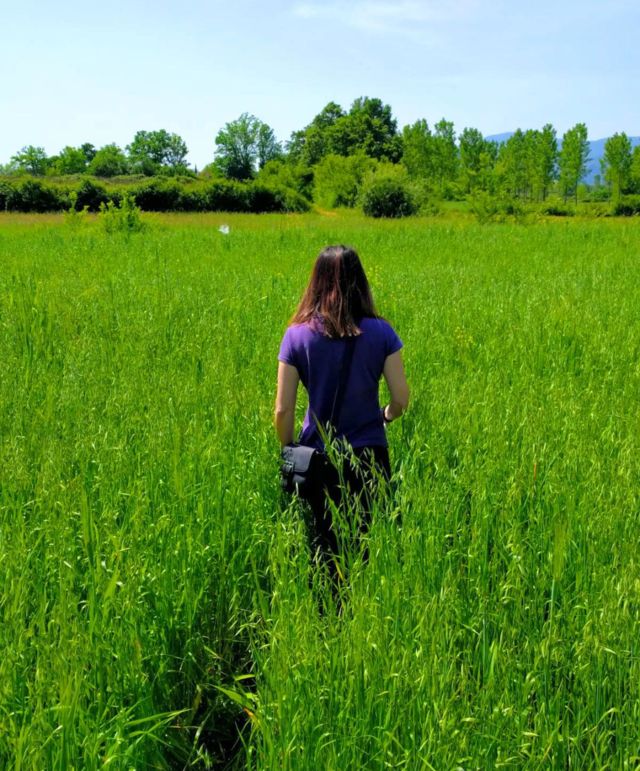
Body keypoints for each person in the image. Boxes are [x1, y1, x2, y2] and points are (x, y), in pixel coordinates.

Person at [275, 245, 409, 581]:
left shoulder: (296, 335)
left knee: (322, 548)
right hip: (370, 456)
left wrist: (288, 448)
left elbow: (283, 409)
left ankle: (327, 608)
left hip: (317, 459)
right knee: (368, 546)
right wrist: (385, 416)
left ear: (316, 282)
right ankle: (365, 605)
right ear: (360, 282)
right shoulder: (382, 332)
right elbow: (401, 399)